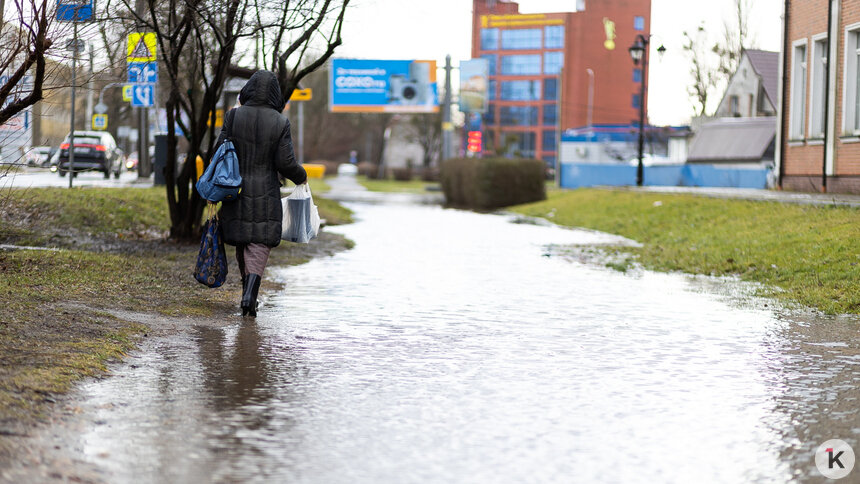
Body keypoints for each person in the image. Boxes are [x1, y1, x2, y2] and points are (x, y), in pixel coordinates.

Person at [216, 70, 307, 317]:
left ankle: (247, 294)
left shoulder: (233, 117)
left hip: (235, 189)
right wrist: (301, 176)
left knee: (243, 238)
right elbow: (286, 162)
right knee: (259, 243)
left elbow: (220, 150)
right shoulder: (280, 121)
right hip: (266, 190)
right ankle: (249, 296)